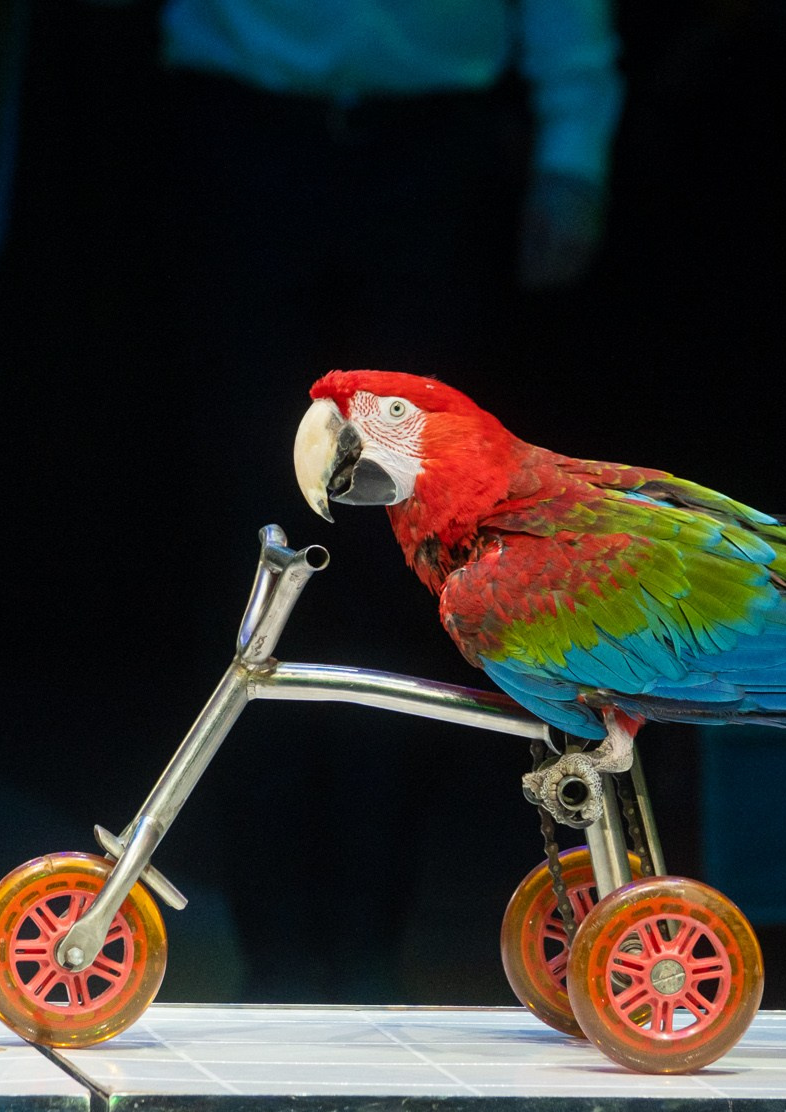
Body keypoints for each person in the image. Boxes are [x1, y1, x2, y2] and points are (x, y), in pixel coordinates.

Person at [154, 0, 624, 1000]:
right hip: (243, 140)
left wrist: (572, 154)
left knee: (422, 551)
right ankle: (270, 948)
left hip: (429, 161)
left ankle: (372, 940)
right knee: (252, 553)